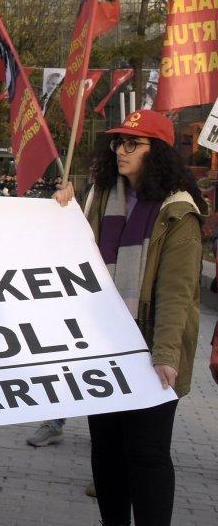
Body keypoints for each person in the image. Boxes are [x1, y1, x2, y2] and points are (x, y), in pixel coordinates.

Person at [54, 109, 204, 526]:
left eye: (133, 144)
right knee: (105, 450)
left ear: (157, 152)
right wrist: (61, 212)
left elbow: (177, 292)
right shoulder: (103, 194)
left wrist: (166, 355)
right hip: (103, 344)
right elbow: (73, 252)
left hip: (152, 346)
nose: (121, 151)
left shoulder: (178, 211)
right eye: (118, 142)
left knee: (148, 454)